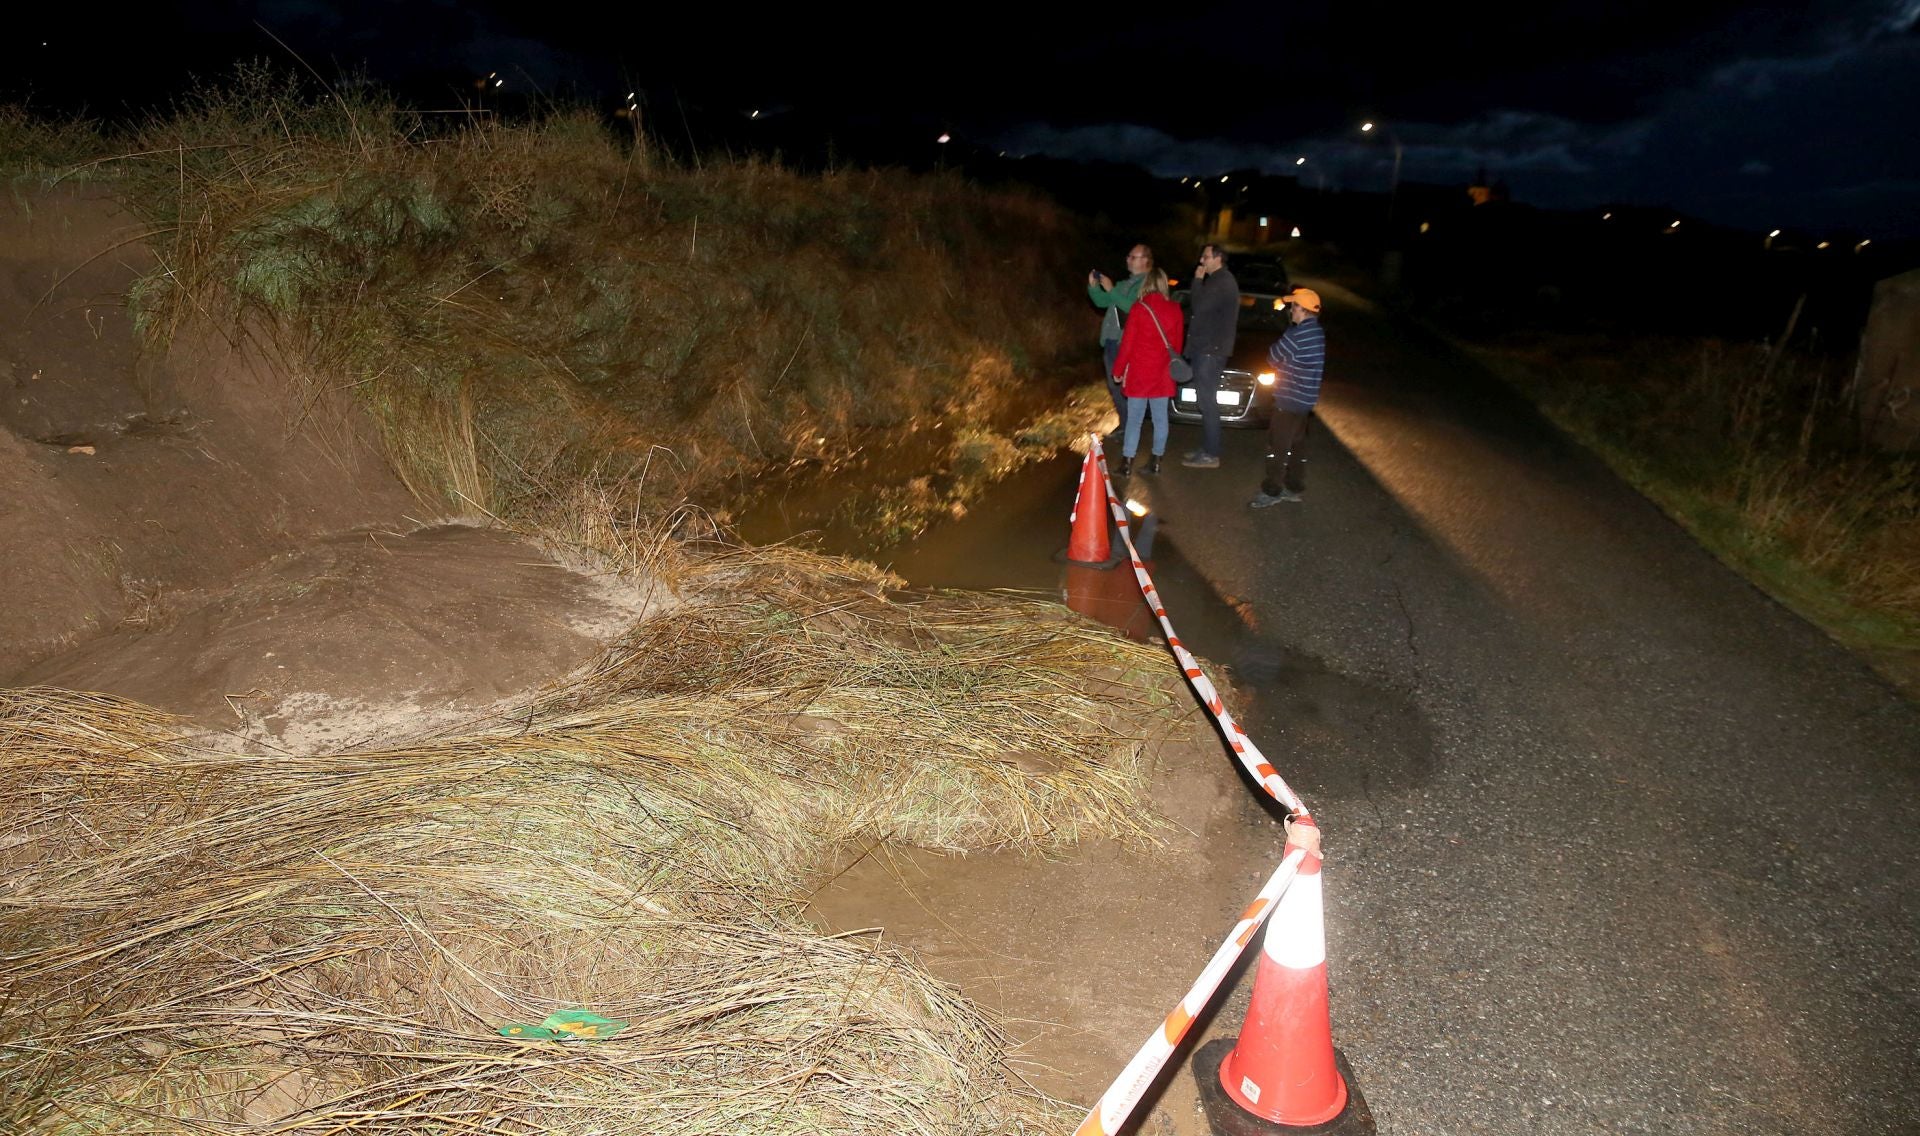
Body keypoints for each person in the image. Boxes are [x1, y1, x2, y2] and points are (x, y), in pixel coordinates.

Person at [1249, 287, 1326, 507]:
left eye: (1294, 307)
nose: (1291, 310)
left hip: (1289, 398)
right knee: (1297, 445)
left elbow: (1272, 356)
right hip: (1305, 400)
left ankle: (1272, 490)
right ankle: (1294, 485)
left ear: (1303, 310)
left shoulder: (1297, 334)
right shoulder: (1318, 332)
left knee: (1278, 446)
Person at [1110, 267, 1184, 476]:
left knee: (1134, 420)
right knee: (1161, 419)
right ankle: (1156, 461)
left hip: (1139, 374)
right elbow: (1177, 347)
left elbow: (1127, 344)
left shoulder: (1138, 309)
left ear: (1146, 284)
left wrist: (1118, 369)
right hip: (1162, 374)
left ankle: (1126, 463)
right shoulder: (1175, 309)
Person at [1180, 244, 1239, 468]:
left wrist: (1197, 280)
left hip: (1210, 351)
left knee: (1207, 402)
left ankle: (1211, 454)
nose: (1201, 261)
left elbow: (1199, 306)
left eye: (1205, 257)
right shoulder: (1218, 280)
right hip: (1207, 349)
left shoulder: (1222, 280)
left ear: (1218, 258)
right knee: (1205, 401)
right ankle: (1207, 448)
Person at [1087, 244, 1154, 431]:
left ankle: (1131, 427)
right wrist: (1094, 287)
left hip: (1127, 344)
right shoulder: (1125, 284)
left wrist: (1111, 290)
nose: (1128, 260)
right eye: (1129, 256)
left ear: (1146, 261)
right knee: (1113, 386)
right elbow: (1102, 301)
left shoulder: (1148, 285)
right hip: (1111, 341)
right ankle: (1125, 423)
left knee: (1126, 387)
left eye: (1133, 257)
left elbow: (1134, 309)